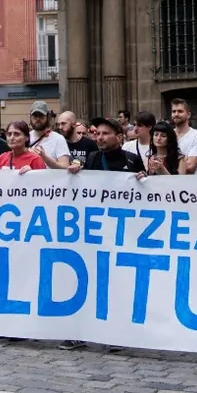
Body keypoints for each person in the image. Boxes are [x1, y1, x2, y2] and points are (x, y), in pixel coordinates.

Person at [65, 117, 143, 351]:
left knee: (117, 283)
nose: (99, 138)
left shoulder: (131, 160)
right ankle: (80, 331)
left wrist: (144, 179)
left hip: (122, 234)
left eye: (105, 134)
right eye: (97, 134)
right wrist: (75, 172)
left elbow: (147, 195)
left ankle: (115, 333)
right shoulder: (91, 158)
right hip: (94, 234)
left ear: (119, 137)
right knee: (87, 282)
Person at [28, 101, 70, 169]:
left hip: (51, 179)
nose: (38, 119)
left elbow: (65, 167)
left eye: (41, 115)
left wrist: (45, 158)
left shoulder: (58, 139)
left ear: (48, 117)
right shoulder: (25, 137)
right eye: (35, 116)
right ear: (30, 117)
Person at [171, 98, 197, 174]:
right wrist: (182, 161)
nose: (176, 114)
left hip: (190, 183)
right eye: (174, 111)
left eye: (180, 111)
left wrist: (169, 163)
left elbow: (190, 167)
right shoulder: (167, 135)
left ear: (188, 115)